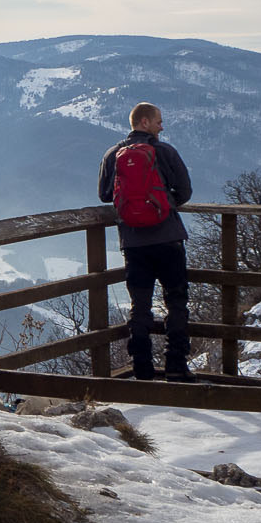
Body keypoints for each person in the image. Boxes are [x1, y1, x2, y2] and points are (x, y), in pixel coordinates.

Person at [98, 103, 197, 382]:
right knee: (176, 301)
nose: (161, 127)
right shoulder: (165, 152)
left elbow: (105, 195)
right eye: (158, 122)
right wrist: (165, 206)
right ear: (144, 122)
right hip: (168, 239)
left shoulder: (112, 155)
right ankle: (176, 365)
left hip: (133, 242)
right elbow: (186, 190)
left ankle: (142, 368)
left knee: (139, 305)